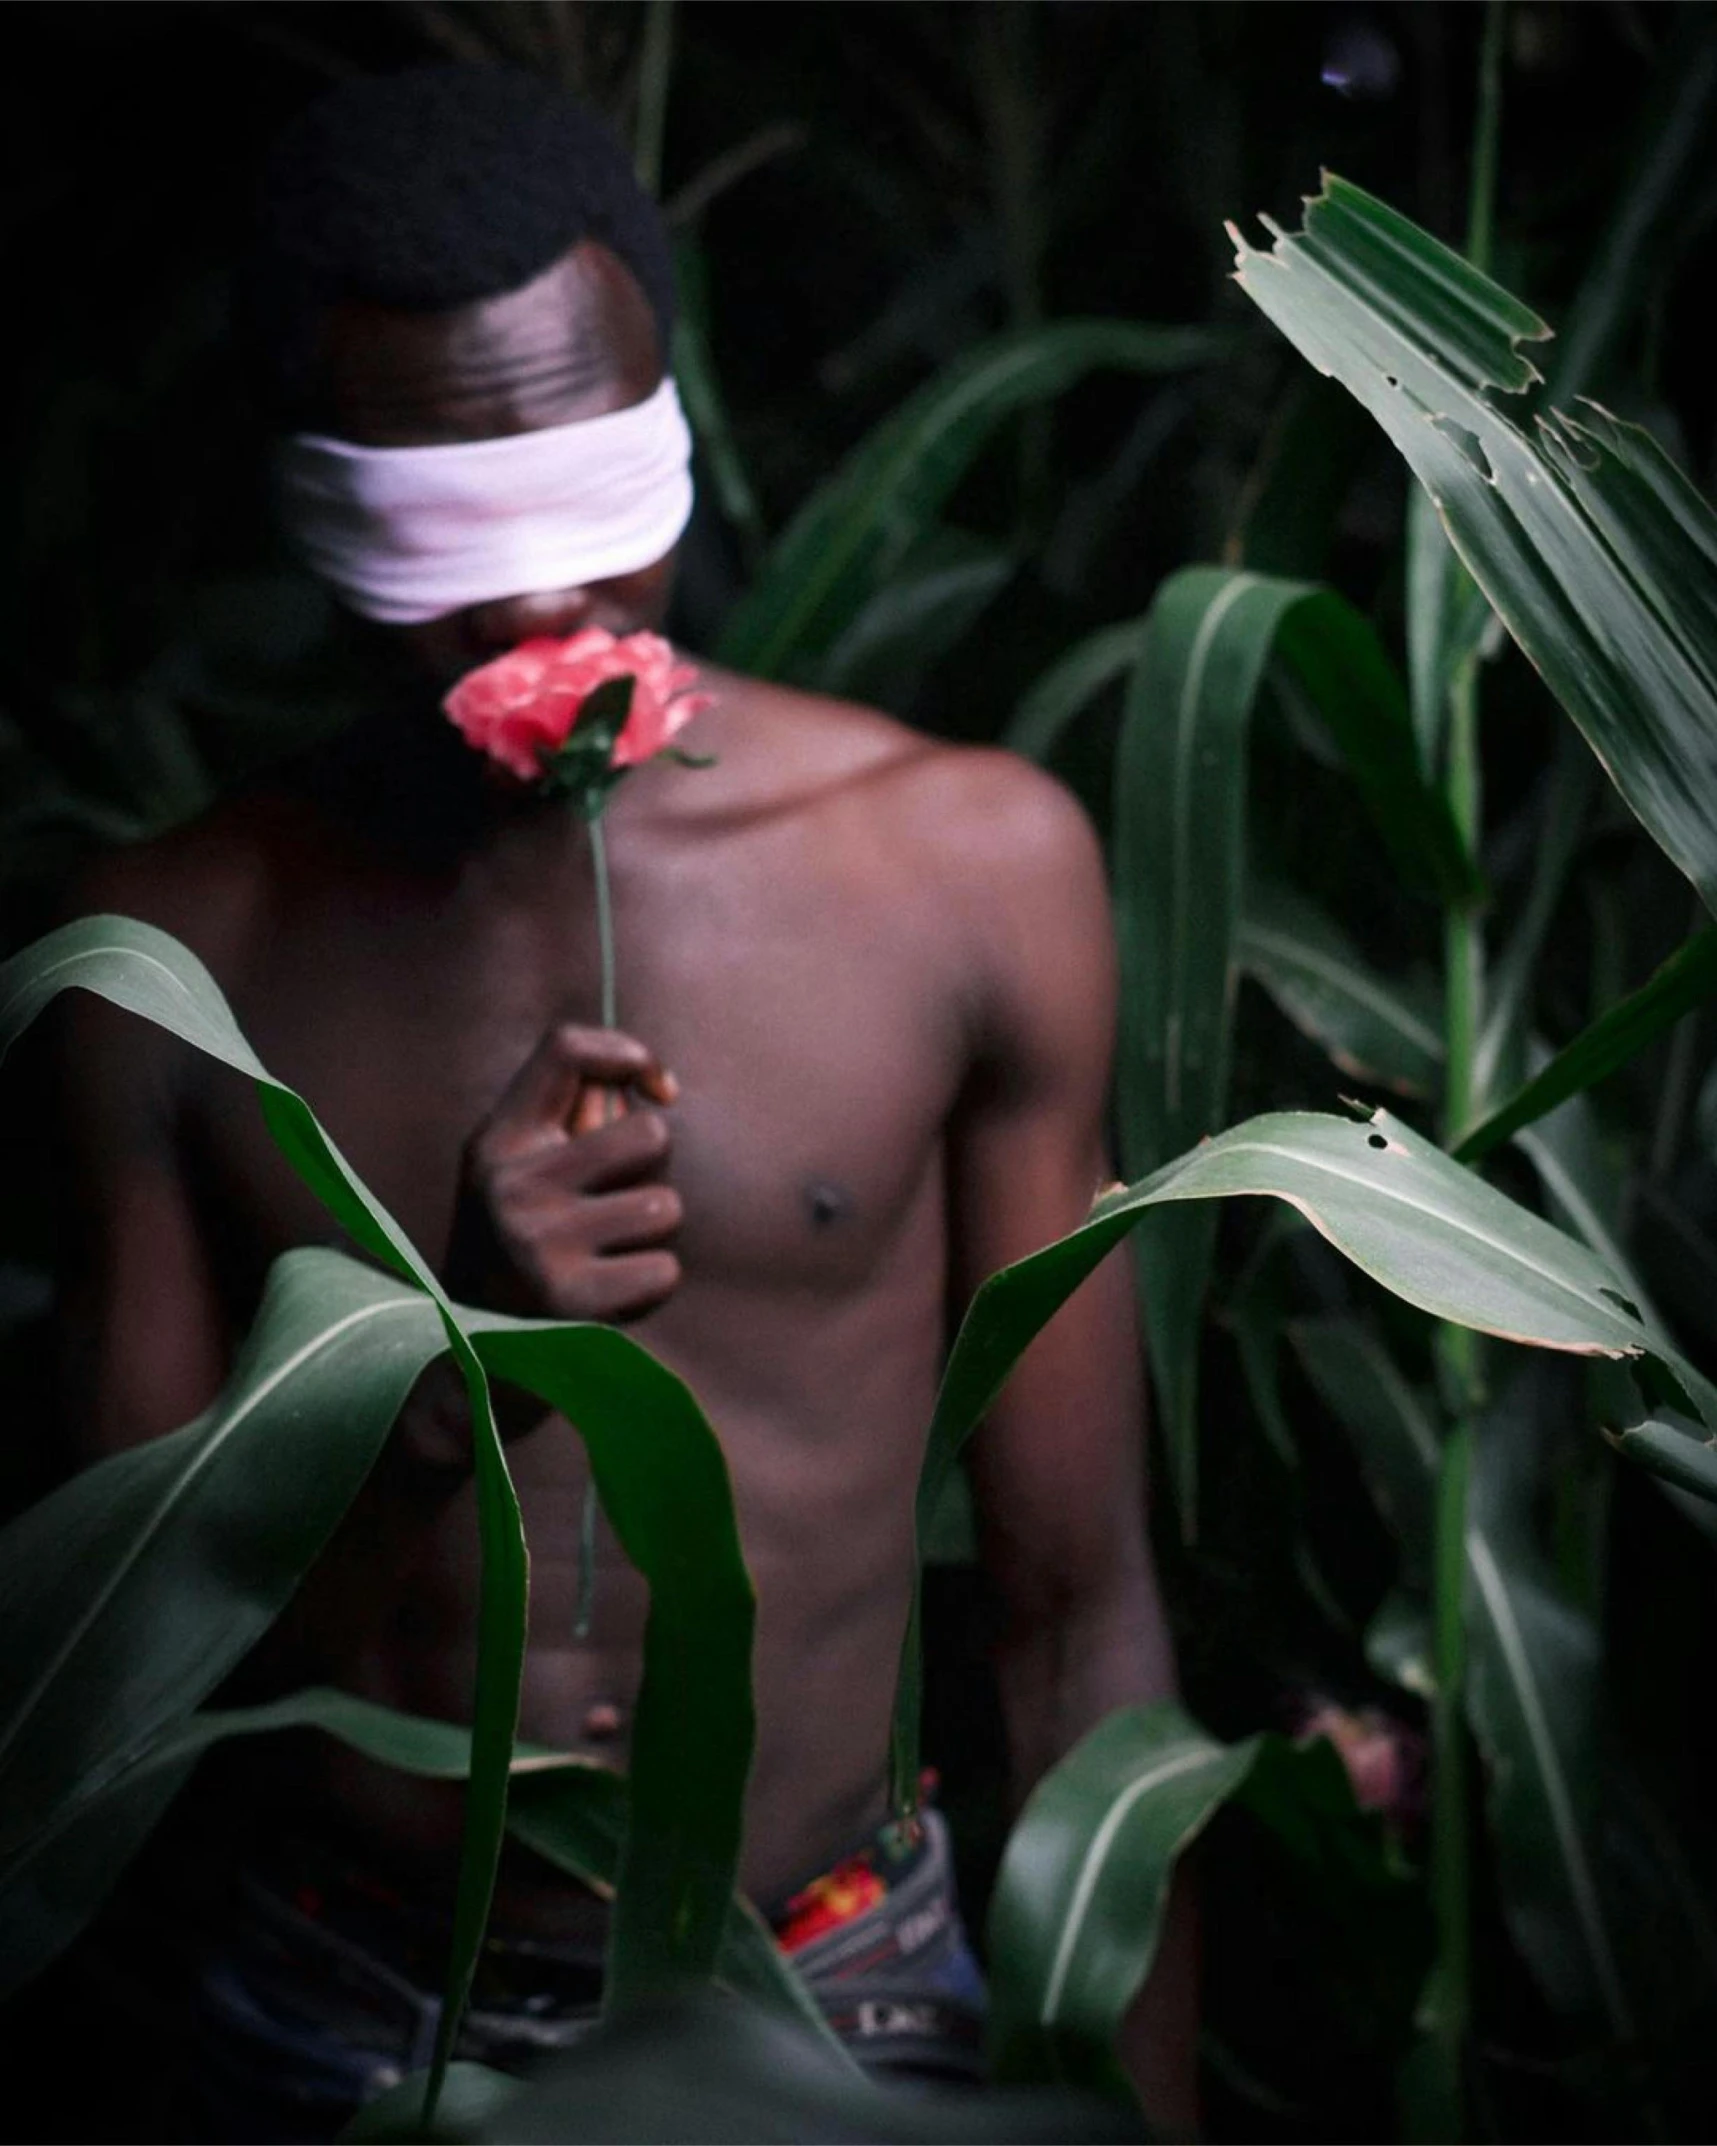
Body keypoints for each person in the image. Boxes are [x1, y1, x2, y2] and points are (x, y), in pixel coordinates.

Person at [53, 62, 1192, 2141]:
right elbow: (125, 1679)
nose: (537, 613)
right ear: (305, 500)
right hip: (333, 2004)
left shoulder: (968, 872)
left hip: (841, 1995)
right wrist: (444, 1356)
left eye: (589, 513)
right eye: (442, 539)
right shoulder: (162, 964)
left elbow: (1077, 1596)